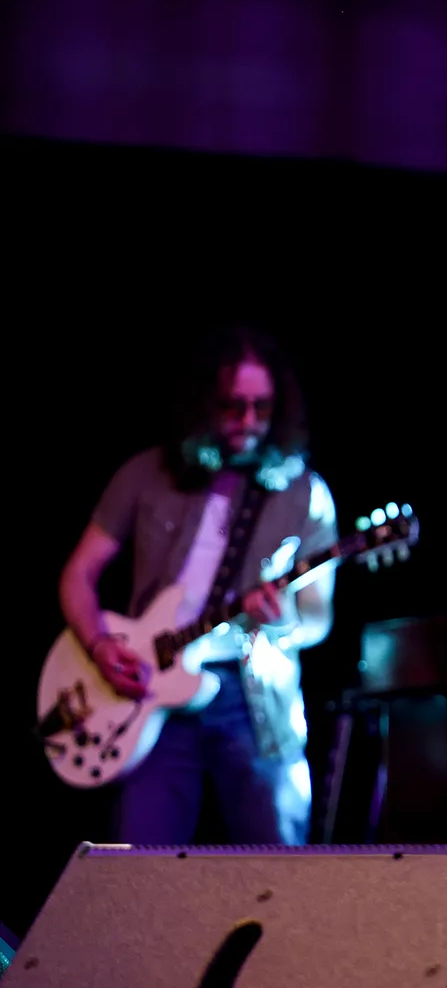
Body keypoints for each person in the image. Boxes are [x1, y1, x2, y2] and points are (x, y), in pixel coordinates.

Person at [57, 325, 338, 845]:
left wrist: (283, 621)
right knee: (137, 870)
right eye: (233, 406)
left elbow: (319, 617)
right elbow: (78, 573)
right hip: (147, 687)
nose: (248, 421)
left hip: (251, 698)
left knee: (276, 872)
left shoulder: (306, 494)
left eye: (262, 407)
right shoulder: (146, 473)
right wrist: (98, 645)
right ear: (204, 403)